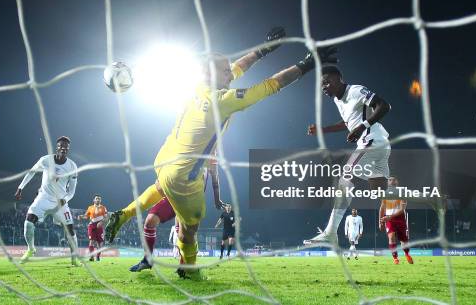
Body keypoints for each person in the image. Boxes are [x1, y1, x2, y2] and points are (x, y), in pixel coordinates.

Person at [105, 27, 339, 278]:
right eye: (225, 70)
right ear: (209, 72)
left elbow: (239, 66)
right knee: (189, 228)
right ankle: (190, 270)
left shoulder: (198, 85)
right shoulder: (222, 100)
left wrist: (264, 49)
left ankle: (124, 214)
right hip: (183, 175)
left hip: (164, 157)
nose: (231, 72)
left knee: (161, 187)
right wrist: (307, 63)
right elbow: (273, 84)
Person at [304, 65, 391, 245]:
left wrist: (362, 127)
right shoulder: (339, 100)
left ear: (338, 79)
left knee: (346, 175)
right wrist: (323, 129)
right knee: (381, 192)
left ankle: (330, 232)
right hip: (379, 144)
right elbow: (348, 122)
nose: (324, 87)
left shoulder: (356, 90)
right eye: (322, 85)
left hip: (371, 140)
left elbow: (384, 106)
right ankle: (431, 199)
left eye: (327, 82)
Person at [129, 160, 225, 272]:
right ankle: (147, 260)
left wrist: (217, 199)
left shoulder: (210, 153)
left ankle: (183, 266)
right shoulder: (181, 145)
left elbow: (214, 177)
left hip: (191, 199)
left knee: (184, 234)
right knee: (150, 221)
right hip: (173, 194)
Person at [15, 136, 79, 266]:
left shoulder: (72, 166)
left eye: (66, 147)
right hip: (43, 198)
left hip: (60, 202)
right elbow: (31, 172)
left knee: (70, 231)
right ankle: (31, 249)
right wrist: (20, 187)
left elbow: (71, 191)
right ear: (57, 147)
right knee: (29, 221)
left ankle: (74, 259)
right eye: (61, 146)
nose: (63, 148)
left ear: (68, 149)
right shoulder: (45, 160)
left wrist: (65, 199)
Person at [379, 177, 413, 264]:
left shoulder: (402, 193)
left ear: (397, 182)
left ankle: (407, 254)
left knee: (403, 240)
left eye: (393, 179)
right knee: (391, 237)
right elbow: (382, 208)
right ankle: (395, 258)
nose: (391, 181)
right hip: (389, 220)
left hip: (400, 218)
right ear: (387, 182)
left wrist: (389, 217)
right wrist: (380, 222)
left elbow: (402, 209)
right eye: (389, 180)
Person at [79, 194, 107, 261]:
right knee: (91, 241)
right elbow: (86, 216)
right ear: (94, 200)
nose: (98, 199)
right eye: (96, 198)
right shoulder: (90, 207)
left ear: (100, 200)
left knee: (100, 243)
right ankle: (91, 257)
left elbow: (106, 217)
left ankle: (98, 256)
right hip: (92, 225)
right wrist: (81, 216)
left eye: (99, 199)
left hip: (99, 226)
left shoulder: (103, 208)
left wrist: (101, 222)